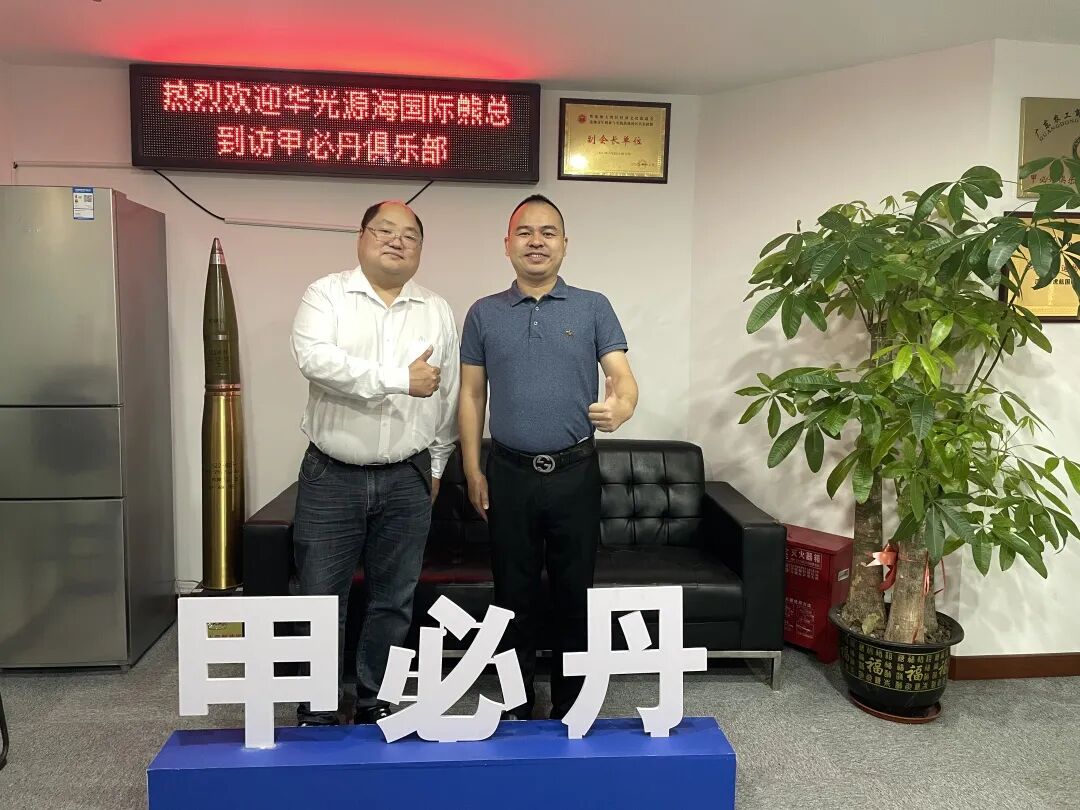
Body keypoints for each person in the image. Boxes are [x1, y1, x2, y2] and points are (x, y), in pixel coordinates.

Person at [458, 194, 639, 720]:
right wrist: (472, 468)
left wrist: (622, 407)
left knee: (574, 594)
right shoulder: (484, 313)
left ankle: (571, 706)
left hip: (574, 472)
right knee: (511, 594)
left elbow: (622, 377)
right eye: (525, 232)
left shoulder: (593, 306)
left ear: (564, 244)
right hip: (508, 472)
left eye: (548, 232)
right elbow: (471, 394)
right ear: (507, 244)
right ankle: (516, 705)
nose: (536, 241)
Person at [290, 200, 459, 725]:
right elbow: (316, 361)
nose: (396, 241)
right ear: (361, 238)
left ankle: (376, 698)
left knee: (394, 598)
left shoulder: (436, 309)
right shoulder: (326, 295)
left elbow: (447, 394)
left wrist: (436, 465)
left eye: (409, 235)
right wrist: (397, 379)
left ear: (420, 249)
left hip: (408, 476)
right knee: (320, 598)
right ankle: (318, 705)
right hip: (332, 474)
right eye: (384, 230)